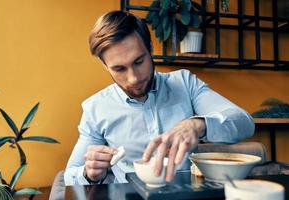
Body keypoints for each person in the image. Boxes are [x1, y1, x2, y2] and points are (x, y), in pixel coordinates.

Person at [64, 10, 255, 185]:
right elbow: (69, 176)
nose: (134, 78)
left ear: (150, 48)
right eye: (119, 69)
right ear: (105, 65)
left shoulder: (185, 83)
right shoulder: (96, 108)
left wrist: (198, 125)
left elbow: (244, 122)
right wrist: (90, 173)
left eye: (139, 61)